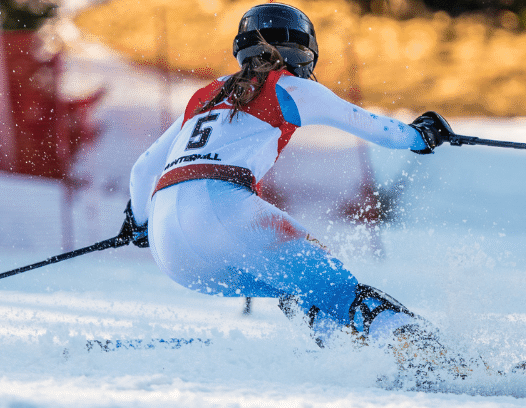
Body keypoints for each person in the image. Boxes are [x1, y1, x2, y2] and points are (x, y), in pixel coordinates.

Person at [116, 3, 458, 360]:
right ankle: (437, 360)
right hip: (220, 208)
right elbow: (376, 128)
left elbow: (142, 170)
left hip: (169, 246)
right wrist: (422, 136)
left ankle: (352, 359)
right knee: (335, 287)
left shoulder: (207, 94)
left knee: (298, 286)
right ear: (304, 51)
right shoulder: (289, 86)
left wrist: (138, 223)